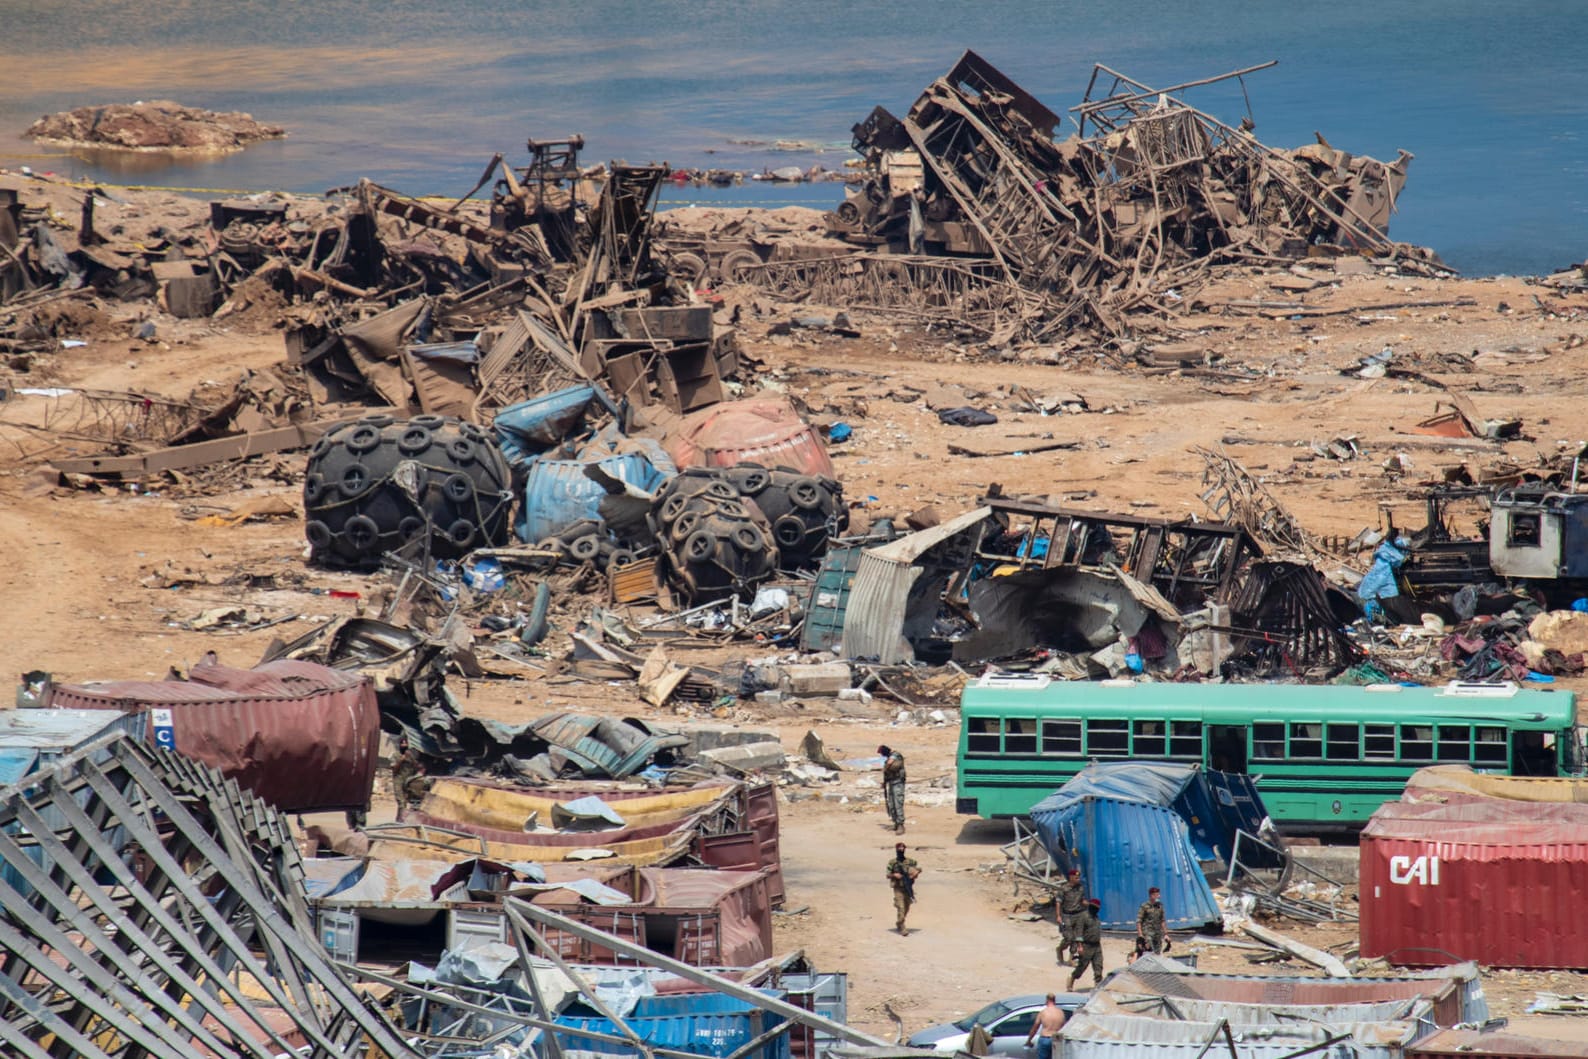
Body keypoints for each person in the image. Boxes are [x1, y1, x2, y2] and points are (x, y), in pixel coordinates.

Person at [1066, 897, 1104, 991]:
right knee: (1082, 966)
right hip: (1086, 945)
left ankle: (1098, 984)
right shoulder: (1083, 917)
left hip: (1096, 945)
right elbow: (1079, 932)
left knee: (1098, 966)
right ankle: (1072, 979)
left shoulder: (1096, 918)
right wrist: (1079, 946)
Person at [886, 841, 922, 935]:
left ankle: (899, 922)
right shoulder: (892, 862)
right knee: (901, 907)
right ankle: (902, 927)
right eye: (899, 848)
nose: (901, 850)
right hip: (898, 888)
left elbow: (918, 869)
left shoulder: (910, 861)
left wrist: (915, 873)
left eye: (903, 848)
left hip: (908, 888)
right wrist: (894, 874)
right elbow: (887, 875)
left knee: (906, 908)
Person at [1055, 867, 1087, 963]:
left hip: (1078, 915)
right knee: (1069, 938)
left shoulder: (1080, 888)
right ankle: (1060, 949)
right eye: (1076, 877)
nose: (1078, 879)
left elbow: (1082, 900)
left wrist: (1086, 903)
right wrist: (1058, 915)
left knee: (1077, 938)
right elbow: (1058, 902)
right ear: (1071, 877)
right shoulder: (1064, 888)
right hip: (1067, 915)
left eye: (1079, 877)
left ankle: (1071, 959)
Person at [1023, 993, 1068, 1059]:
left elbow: (1035, 1027)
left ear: (1047, 1000)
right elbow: (1064, 1027)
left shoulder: (1043, 1012)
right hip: (1057, 1039)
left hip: (1045, 1038)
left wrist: (1029, 1040)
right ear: (1054, 1001)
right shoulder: (1060, 1012)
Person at [391, 737, 426, 816]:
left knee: (410, 801)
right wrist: (401, 760)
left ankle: (404, 819)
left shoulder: (411, 755)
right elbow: (394, 770)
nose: (404, 745)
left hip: (408, 781)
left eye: (405, 743)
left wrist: (412, 759)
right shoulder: (396, 755)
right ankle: (400, 820)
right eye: (402, 743)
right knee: (401, 801)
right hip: (398, 780)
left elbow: (417, 767)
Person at [879, 744, 907, 833]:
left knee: (898, 803)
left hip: (898, 783)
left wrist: (885, 768)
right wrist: (884, 783)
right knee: (892, 804)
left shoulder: (896, 755)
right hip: (891, 783)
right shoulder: (888, 759)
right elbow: (887, 773)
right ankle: (895, 823)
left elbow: (890, 763)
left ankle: (900, 825)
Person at [1137, 886, 1167, 955]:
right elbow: (1139, 921)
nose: (1159, 896)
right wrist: (1140, 935)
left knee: (1157, 953)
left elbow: (1162, 920)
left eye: (1159, 894)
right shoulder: (1144, 906)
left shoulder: (1160, 906)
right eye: (1157, 895)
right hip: (1147, 934)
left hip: (1157, 934)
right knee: (1149, 953)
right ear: (1152, 895)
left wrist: (1166, 934)